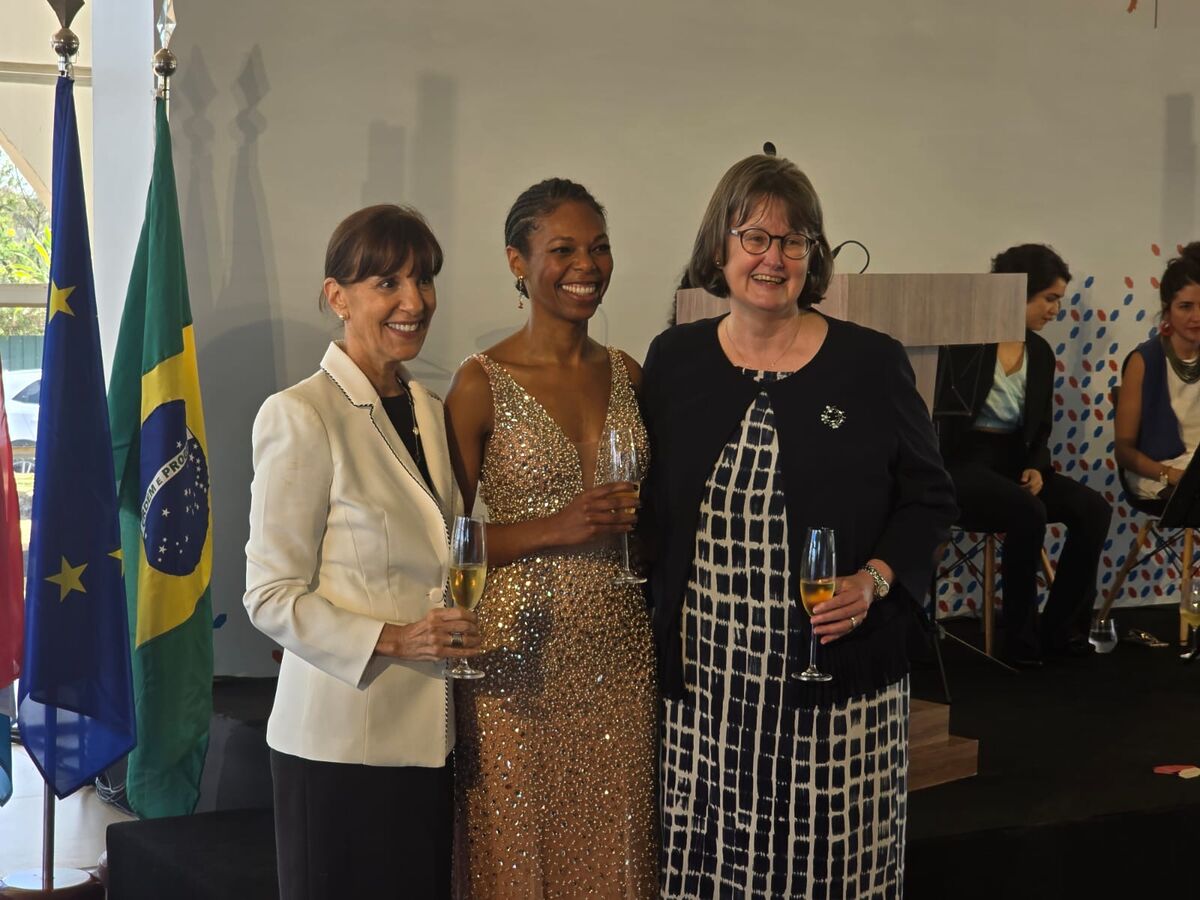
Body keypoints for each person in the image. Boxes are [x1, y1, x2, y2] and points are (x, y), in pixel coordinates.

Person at [641, 153, 956, 899]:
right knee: (711, 868)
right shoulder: (675, 359)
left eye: (793, 241)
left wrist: (875, 580)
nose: (773, 259)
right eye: (754, 237)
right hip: (708, 687)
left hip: (831, 677)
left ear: (813, 255)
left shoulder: (870, 363)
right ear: (720, 247)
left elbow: (931, 498)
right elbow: (650, 508)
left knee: (826, 870)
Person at [244, 205, 479, 900]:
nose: (415, 301)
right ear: (337, 297)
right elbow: (269, 597)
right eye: (388, 283)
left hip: (430, 742)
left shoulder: (428, 408)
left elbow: (445, 553)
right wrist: (398, 638)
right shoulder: (300, 413)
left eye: (424, 279)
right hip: (337, 750)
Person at [444, 179, 658, 897]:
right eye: (563, 249)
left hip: (622, 649)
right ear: (518, 261)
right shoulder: (480, 383)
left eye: (599, 248)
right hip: (518, 654)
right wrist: (556, 527)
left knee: (617, 845)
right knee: (519, 847)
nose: (586, 266)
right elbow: (448, 541)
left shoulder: (629, 372)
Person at [936, 244, 1113, 664]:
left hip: (1014, 461)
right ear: (1019, 292)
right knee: (1027, 511)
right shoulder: (965, 343)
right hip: (962, 462)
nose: (1055, 310)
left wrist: (1036, 466)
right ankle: (1020, 639)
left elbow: (1040, 427)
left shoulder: (1041, 352)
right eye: (1049, 298)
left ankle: (1061, 629)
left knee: (1093, 509)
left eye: (1058, 300)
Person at [1115, 243, 1200, 504]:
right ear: (1167, 310)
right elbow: (1124, 452)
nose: (1197, 316)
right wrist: (1170, 474)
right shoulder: (1144, 360)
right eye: (1185, 307)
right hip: (1158, 472)